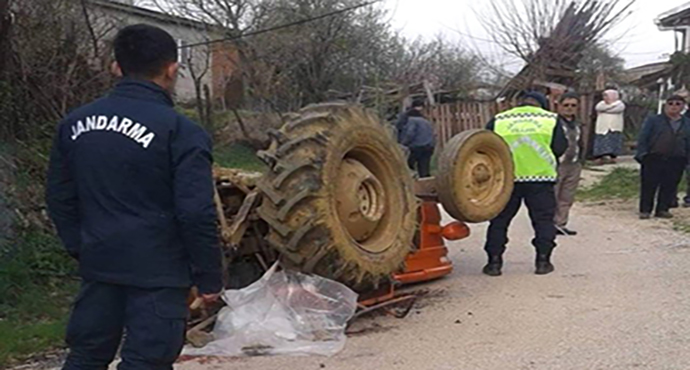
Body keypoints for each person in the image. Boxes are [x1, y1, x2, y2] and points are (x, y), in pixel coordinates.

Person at [46, 24, 223, 370]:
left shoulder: (73, 124)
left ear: (116, 66)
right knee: (147, 362)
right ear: (171, 69)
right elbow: (196, 212)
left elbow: (59, 196)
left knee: (85, 357)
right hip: (159, 275)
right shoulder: (182, 132)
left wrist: (81, 247)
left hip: (99, 266)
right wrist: (209, 277)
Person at [484, 91, 567, 276]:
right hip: (540, 179)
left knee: (499, 221)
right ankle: (543, 262)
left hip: (506, 179)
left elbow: (485, 145)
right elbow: (560, 146)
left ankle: (494, 263)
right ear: (542, 104)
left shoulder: (499, 120)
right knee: (543, 221)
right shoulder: (550, 119)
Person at [635, 95, 690, 220]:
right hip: (654, 157)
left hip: (677, 158)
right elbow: (643, 137)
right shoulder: (654, 120)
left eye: (677, 104)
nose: (674, 106)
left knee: (670, 185)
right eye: (671, 103)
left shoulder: (687, 123)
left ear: (682, 107)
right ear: (665, 105)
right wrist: (642, 155)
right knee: (649, 185)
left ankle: (663, 209)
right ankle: (645, 210)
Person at [554, 92, 585, 236]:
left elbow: (582, 143)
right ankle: (549, 224)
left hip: (574, 164)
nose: (569, 108)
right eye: (566, 105)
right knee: (553, 195)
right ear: (559, 106)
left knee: (567, 197)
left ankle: (561, 224)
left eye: (573, 105)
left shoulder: (579, 124)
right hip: (557, 164)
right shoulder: (553, 122)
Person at [401, 102, 435, 178]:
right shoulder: (426, 121)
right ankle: (426, 182)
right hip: (429, 146)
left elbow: (410, 133)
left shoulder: (412, 120)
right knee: (424, 166)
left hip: (417, 146)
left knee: (408, 164)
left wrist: (404, 143)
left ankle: (412, 178)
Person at [593, 89, 626, 164]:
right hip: (602, 126)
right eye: (604, 96)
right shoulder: (601, 104)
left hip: (614, 127)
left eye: (607, 96)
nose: (605, 98)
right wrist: (609, 108)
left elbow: (617, 110)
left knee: (613, 141)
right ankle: (599, 157)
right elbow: (598, 108)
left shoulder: (619, 104)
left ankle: (613, 157)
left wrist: (606, 109)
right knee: (601, 141)